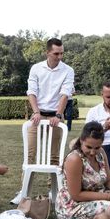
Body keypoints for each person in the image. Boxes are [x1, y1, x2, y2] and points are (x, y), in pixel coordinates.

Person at [23, 37, 75, 198]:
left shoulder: (68, 70)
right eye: (56, 53)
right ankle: (24, 192)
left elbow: (65, 94)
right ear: (47, 52)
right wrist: (36, 112)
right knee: (30, 156)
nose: (60, 57)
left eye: (62, 53)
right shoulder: (36, 68)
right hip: (38, 116)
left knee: (55, 156)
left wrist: (58, 114)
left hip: (55, 117)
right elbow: (32, 91)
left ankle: (54, 192)